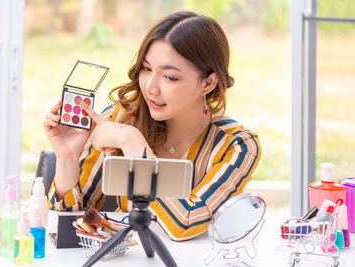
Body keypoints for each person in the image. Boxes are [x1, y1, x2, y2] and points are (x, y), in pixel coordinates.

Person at [43, 11, 261, 241]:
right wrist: (67, 157)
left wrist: (133, 144)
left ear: (208, 82)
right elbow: (71, 224)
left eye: (170, 77)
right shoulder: (118, 120)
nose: (150, 88)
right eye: (146, 69)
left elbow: (186, 222)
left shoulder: (238, 146)